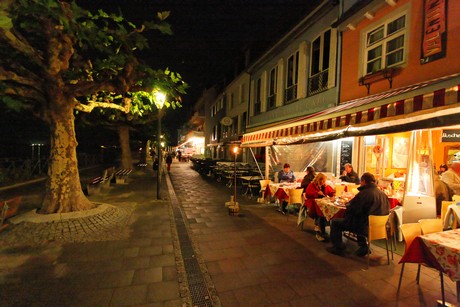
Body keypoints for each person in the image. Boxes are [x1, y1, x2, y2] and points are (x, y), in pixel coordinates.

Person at [327, 172, 390, 257]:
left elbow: (353, 208)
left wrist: (348, 205)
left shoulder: (364, 194)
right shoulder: (383, 194)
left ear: (363, 181)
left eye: (361, 181)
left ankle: (338, 247)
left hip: (365, 227)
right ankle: (363, 246)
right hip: (380, 228)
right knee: (361, 218)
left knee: (335, 222)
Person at [304, 173, 335, 241]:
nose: (324, 182)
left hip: (321, 203)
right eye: (323, 181)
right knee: (320, 212)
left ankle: (322, 228)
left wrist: (332, 195)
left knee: (325, 210)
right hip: (312, 203)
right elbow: (307, 195)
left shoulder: (325, 186)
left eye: (324, 181)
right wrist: (316, 193)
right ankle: (319, 229)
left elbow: (332, 192)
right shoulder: (312, 185)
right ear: (319, 180)